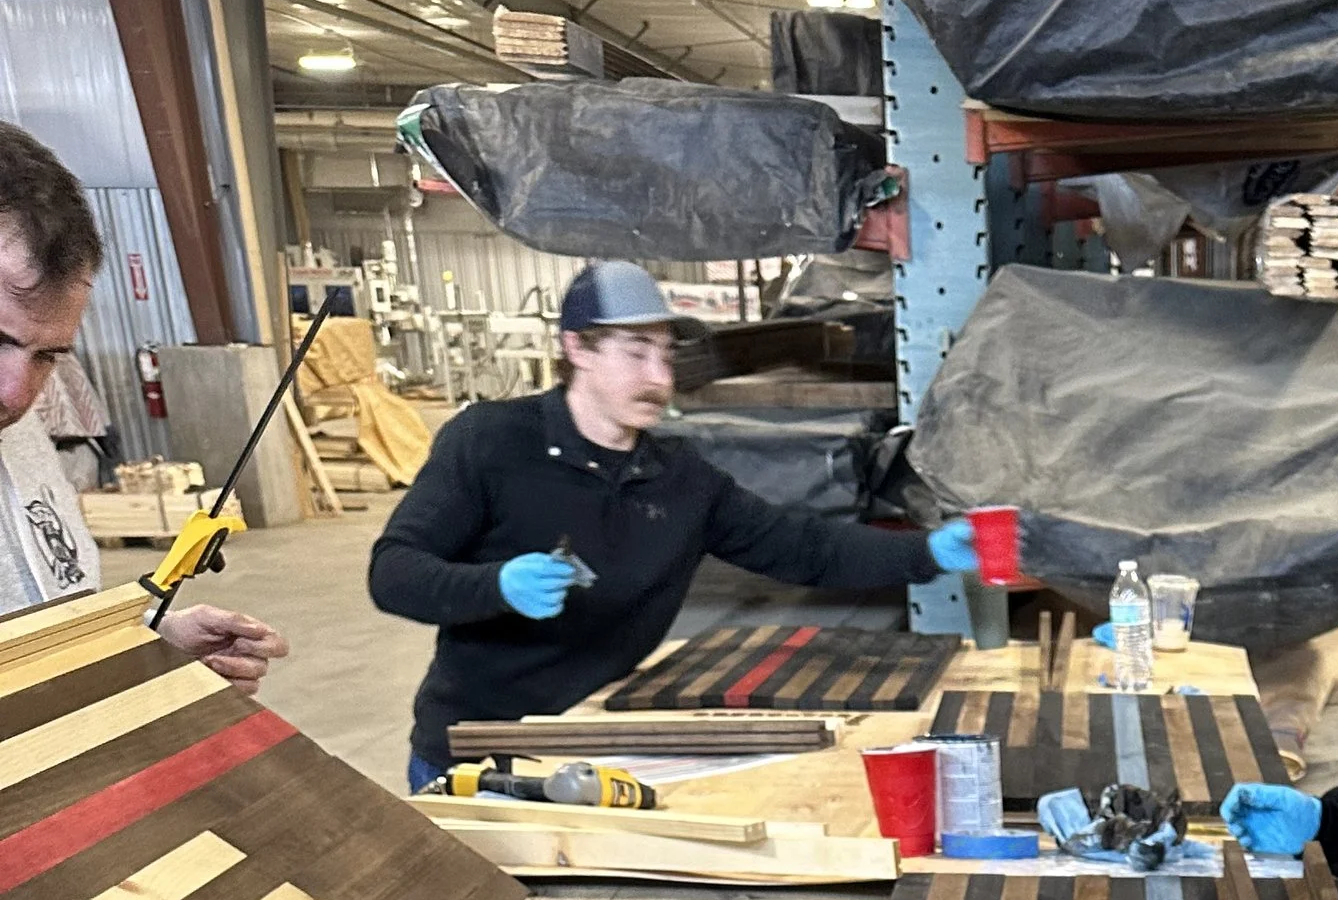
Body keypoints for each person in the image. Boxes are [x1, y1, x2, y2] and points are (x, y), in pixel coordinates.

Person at [369, 260, 998, 785]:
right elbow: (394, 572)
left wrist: (929, 553)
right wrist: (494, 587)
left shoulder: (680, 478)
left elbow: (802, 547)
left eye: (667, 355)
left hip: (603, 742)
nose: (660, 379)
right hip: (478, 750)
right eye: (637, 353)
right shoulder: (491, 442)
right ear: (576, 348)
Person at [0, 120, 283, 687]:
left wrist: (147, 649)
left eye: (47, 356)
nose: (16, 393)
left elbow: (43, 631)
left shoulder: (18, 432)